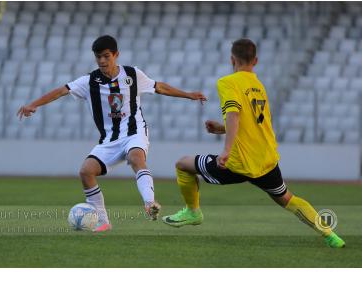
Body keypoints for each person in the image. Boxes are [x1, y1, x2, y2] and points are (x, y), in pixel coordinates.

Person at [162, 38, 345, 248]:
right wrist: (221, 129)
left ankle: (193, 212)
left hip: (238, 161)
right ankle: (331, 236)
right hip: (266, 160)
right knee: (287, 198)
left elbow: (233, 115)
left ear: (232, 59)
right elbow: (253, 123)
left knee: (183, 164)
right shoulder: (258, 86)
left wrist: (226, 150)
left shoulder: (227, 82)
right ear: (255, 61)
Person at [17, 35, 207, 232]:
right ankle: (103, 221)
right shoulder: (89, 81)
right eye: (98, 57)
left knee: (136, 158)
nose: (102, 61)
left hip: (134, 132)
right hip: (109, 140)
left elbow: (159, 87)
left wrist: (189, 95)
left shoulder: (133, 75)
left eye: (106, 56)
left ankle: (150, 203)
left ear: (116, 55)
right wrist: (33, 105)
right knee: (86, 171)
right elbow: (61, 91)